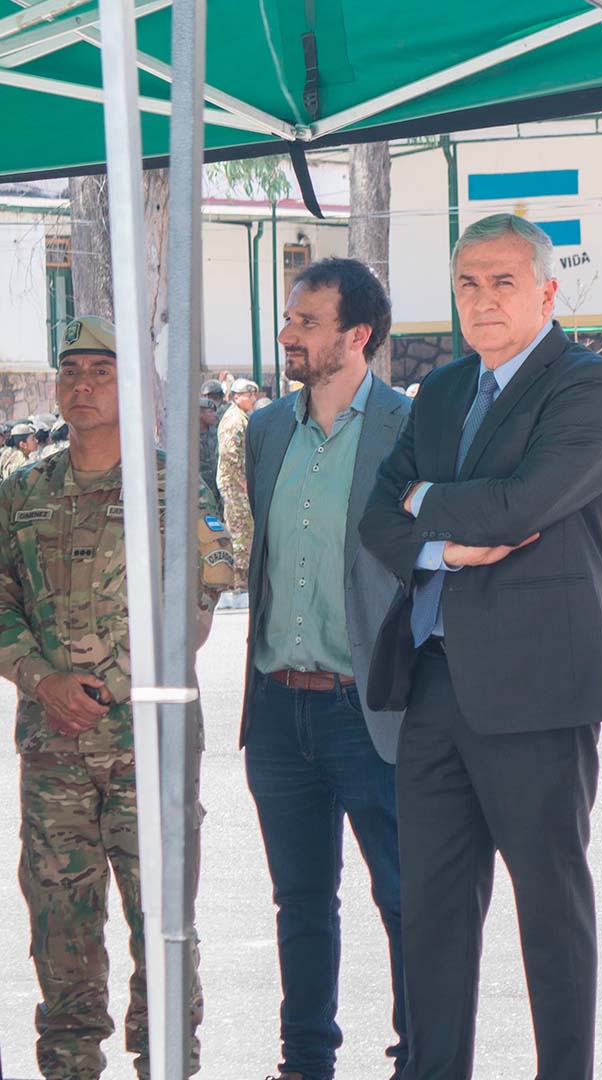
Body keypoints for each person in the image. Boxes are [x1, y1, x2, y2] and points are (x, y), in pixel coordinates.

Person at [359, 213, 602, 1080]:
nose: (483, 300)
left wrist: (424, 502)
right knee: (431, 912)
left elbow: (523, 506)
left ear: (548, 291)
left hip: (539, 690)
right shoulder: (440, 390)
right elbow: (376, 515)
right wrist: (441, 542)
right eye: (467, 283)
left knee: (550, 911)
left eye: (503, 281)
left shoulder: (587, 386)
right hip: (434, 685)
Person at [0, 315, 233, 1080]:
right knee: (59, 923)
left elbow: (198, 606)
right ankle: (69, 1067)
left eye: (101, 370)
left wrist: (108, 689)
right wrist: (46, 682)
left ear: (132, 387)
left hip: (150, 740)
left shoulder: (173, 488)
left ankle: (164, 1062)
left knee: (162, 921)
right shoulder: (22, 492)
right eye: (71, 372)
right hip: (53, 748)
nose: (82, 385)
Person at [242, 257, 410, 1080]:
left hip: (371, 711)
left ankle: (423, 1057)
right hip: (277, 711)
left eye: (306, 323)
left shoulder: (411, 429)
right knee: (300, 906)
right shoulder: (266, 430)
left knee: (407, 903)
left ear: (357, 336)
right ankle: (305, 1064)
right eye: (290, 318)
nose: (288, 335)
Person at [215, 376, 259, 607]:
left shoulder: (241, 418)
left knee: (244, 532)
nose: (252, 399)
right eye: (247, 394)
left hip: (237, 484)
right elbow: (231, 456)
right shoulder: (234, 421)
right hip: (235, 485)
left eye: (253, 395)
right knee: (240, 535)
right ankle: (237, 587)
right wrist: (245, 483)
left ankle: (239, 585)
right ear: (235, 397)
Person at [198, 394, 222, 514]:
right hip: (201, 493)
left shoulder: (217, 433)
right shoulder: (189, 438)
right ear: (200, 414)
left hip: (218, 488)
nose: (214, 415)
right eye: (210, 412)